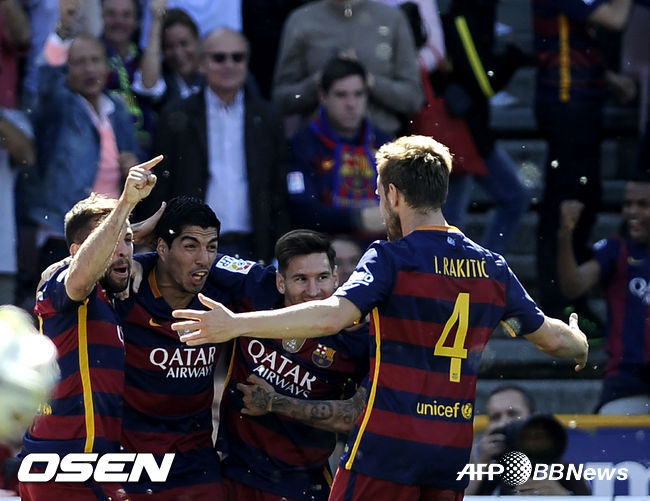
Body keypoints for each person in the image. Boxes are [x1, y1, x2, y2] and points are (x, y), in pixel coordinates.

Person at [172, 135, 589, 500]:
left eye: (378, 193)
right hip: (450, 451)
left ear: (393, 194)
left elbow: (333, 316)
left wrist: (237, 324)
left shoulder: (392, 258)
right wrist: (579, 341)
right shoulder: (491, 268)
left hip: (388, 447)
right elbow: (554, 341)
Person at [18, 157, 159, 501]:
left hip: (96, 470)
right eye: (113, 241)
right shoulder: (62, 282)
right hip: (61, 469)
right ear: (76, 252)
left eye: (129, 241)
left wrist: (125, 225)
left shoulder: (110, 299)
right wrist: (125, 203)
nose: (123, 251)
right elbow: (81, 273)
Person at [215, 229, 368, 501]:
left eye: (322, 278)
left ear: (336, 277)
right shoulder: (256, 287)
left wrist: (275, 403)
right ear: (280, 282)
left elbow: (355, 418)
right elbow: (198, 258)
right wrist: (142, 262)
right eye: (301, 279)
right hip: (231, 473)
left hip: (301, 485)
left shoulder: (358, 341)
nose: (313, 291)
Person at [115, 195, 238, 500]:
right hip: (131, 463)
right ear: (161, 248)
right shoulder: (126, 290)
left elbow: (286, 284)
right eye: (190, 246)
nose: (204, 259)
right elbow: (65, 275)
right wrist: (130, 236)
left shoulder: (224, 292)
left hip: (196, 463)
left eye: (211, 247)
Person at [144, 27, 289, 262]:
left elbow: (278, 189)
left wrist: (281, 251)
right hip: (190, 248)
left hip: (255, 247)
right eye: (219, 58)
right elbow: (161, 185)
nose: (229, 65)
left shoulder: (267, 117)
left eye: (237, 57)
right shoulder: (176, 115)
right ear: (201, 64)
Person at [534, 0, 634, 320]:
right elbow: (616, 18)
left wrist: (608, 78)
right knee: (566, 202)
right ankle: (556, 303)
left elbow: (575, 39)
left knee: (587, 198)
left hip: (582, 104)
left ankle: (572, 297)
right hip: (567, 107)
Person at [20, 33, 141, 277]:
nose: (89, 69)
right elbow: (45, 80)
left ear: (107, 66)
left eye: (95, 60)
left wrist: (133, 164)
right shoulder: (59, 104)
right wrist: (62, 31)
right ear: (66, 69)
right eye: (79, 62)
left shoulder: (117, 107)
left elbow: (133, 155)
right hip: (63, 234)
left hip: (111, 233)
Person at [441, 0, 530, 255]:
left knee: (514, 197)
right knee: (450, 225)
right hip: (458, 135)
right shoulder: (462, 17)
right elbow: (485, 82)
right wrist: (513, 54)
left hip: (473, 134)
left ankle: (484, 268)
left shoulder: (481, 13)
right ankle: (462, 273)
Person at [557, 174, 650, 414]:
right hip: (627, 378)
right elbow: (573, 286)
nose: (633, 211)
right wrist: (565, 234)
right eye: (628, 204)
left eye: (643, 204)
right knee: (611, 432)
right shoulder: (616, 250)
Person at [272, 0, 423, 136]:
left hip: (380, 144)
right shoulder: (301, 21)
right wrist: (321, 81)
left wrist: (368, 81)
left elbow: (413, 99)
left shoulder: (392, 19)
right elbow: (280, 100)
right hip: (317, 146)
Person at [287, 56, 392, 235]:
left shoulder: (386, 144)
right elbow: (302, 210)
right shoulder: (302, 145)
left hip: (382, 245)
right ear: (323, 97)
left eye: (358, 94)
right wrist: (356, 220)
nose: (351, 104)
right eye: (341, 95)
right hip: (326, 244)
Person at [469, 385, 590, 496]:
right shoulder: (486, 472)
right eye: (495, 417)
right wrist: (481, 464)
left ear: (534, 418)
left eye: (512, 414)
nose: (504, 422)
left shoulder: (564, 472)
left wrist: (561, 496)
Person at [138, 4, 204, 107]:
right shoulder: (161, 79)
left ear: (198, 42)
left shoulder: (213, 75)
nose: (178, 53)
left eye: (184, 44)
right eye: (169, 46)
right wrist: (156, 22)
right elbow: (148, 86)